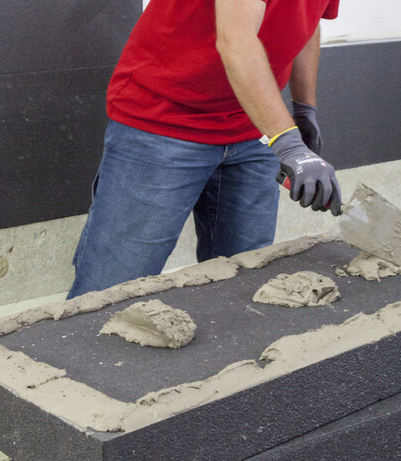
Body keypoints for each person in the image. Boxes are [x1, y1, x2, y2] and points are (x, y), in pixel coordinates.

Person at [68, 0, 343, 298]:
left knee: (243, 280)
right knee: (111, 290)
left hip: (252, 128)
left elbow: (307, 22)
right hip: (165, 121)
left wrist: (304, 109)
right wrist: (288, 144)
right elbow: (236, 41)